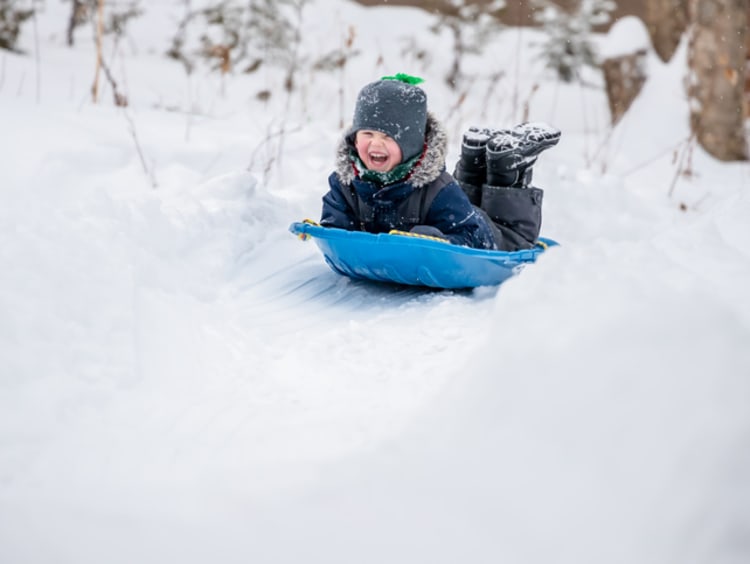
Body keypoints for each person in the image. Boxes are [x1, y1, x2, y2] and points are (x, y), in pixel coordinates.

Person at [320, 74, 560, 251]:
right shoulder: (345, 182)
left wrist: (436, 241)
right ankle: (474, 156)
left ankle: (507, 165)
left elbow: (476, 239)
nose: (375, 145)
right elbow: (335, 223)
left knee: (513, 242)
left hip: (493, 238)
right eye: (367, 134)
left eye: (387, 137)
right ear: (354, 137)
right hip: (463, 213)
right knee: (467, 204)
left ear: (411, 144)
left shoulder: (438, 189)